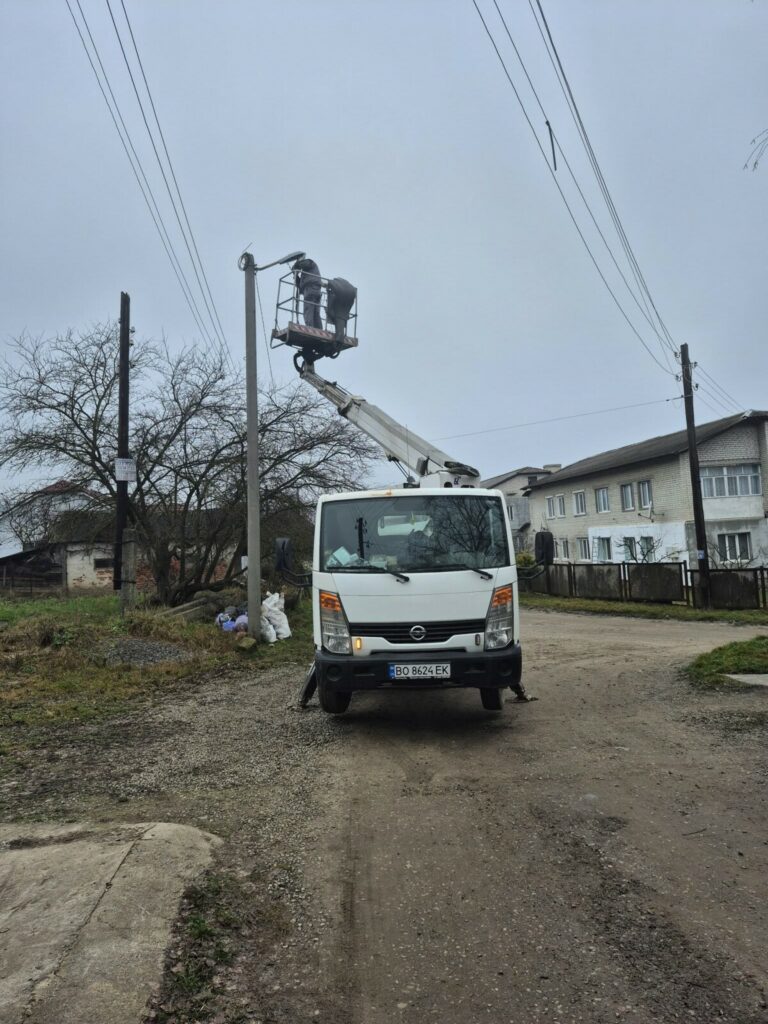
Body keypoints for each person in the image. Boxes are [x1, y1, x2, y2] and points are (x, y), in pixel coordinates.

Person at [292, 256, 323, 329]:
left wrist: (296, 265)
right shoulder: (307, 272)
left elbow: (302, 264)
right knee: (315, 313)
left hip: (310, 289)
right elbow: (300, 285)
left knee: (308, 311)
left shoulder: (310, 262)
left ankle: (309, 328)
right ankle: (319, 329)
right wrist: (296, 277)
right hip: (316, 290)